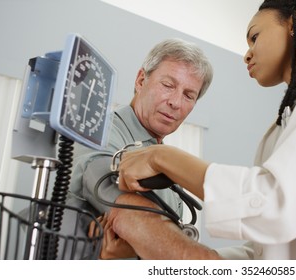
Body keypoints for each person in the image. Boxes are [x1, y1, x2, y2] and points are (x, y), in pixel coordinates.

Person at [100, 0, 296, 260]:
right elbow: (262, 252)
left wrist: (161, 157)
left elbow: (277, 204)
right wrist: (167, 255)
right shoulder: (280, 128)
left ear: (294, 24)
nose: (247, 54)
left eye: (255, 37)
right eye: (168, 85)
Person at [64, 38, 213, 259]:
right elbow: (111, 193)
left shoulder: (167, 168)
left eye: (188, 95)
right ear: (141, 80)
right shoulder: (98, 132)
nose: (175, 102)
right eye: (168, 85)